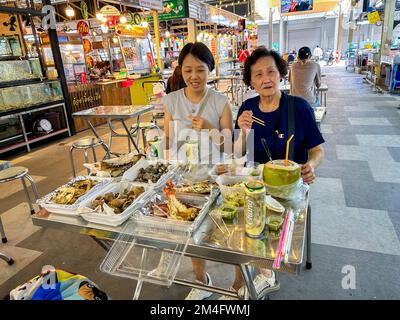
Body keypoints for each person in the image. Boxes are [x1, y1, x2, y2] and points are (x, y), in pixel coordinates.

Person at [163, 42, 233, 299]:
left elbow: (231, 145)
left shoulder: (220, 101)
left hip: (215, 178)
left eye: (200, 69)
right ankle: (202, 281)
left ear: (210, 70)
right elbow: (168, 141)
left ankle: (237, 284)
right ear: (180, 70)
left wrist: (208, 127)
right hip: (184, 180)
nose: (194, 76)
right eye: (188, 69)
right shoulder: (170, 101)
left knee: (224, 234)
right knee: (190, 235)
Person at [234, 45, 324, 180]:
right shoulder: (247, 108)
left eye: (271, 71)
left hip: (290, 183)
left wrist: (310, 165)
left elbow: (317, 150)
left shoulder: (300, 107)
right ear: (251, 82)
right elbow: (237, 152)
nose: (266, 79)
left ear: (280, 74)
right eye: (259, 74)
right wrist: (243, 133)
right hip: (256, 185)